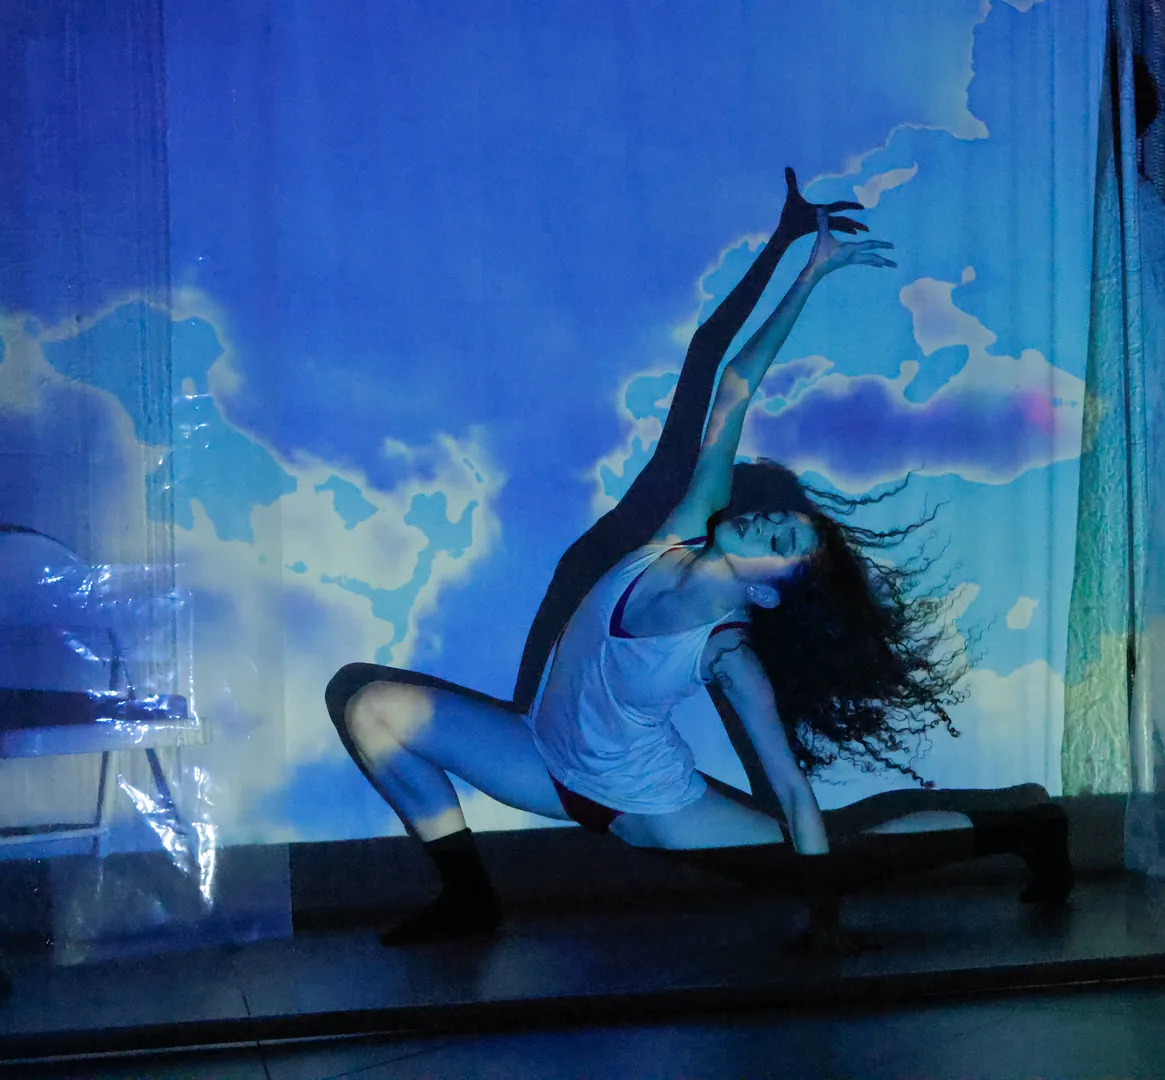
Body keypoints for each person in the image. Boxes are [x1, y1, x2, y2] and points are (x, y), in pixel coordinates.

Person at [326, 171, 1072, 946]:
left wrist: (821, 917)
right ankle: (470, 898)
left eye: (782, 544)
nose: (772, 521)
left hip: (649, 807)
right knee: (371, 708)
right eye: (782, 519)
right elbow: (731, 384)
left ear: (770, 594)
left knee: (831, 857)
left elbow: (791, 789)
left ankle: (1025, 827)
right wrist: (807, 268)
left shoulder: (727, 652)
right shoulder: (677, 533)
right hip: (541, 762)